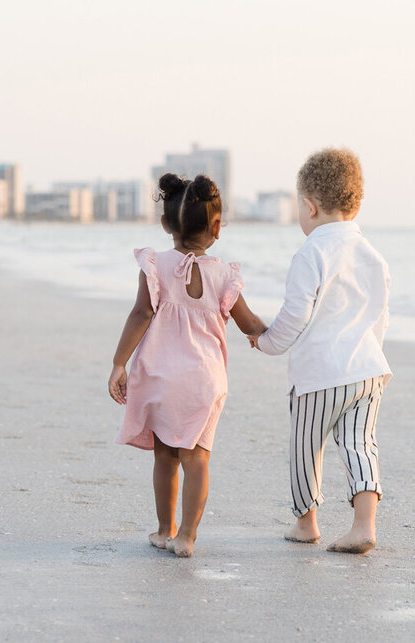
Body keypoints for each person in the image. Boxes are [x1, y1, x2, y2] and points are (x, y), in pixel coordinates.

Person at [108, 173, 267, 557]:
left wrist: (118, 363)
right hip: (204, 382)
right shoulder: (224, 275)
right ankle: (188, 538)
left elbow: (142, 313)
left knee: (165, 456)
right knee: (197, 459)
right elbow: (250, 325)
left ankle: (165, 530)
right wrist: (281, 333)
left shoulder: (154, 265)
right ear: (216, 227)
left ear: (166, 224)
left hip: (160, 377)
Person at [251, 148, 391, 555]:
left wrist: (266, 341)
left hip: (318, 377)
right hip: (368, 372)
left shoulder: (311, 253)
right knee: (361, 445)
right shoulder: (373, 255)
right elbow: (381, 317)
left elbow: (294, 316)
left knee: (305, 446)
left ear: (309, 207)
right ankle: (364, 525)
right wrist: (369, 354)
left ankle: (305, 523)